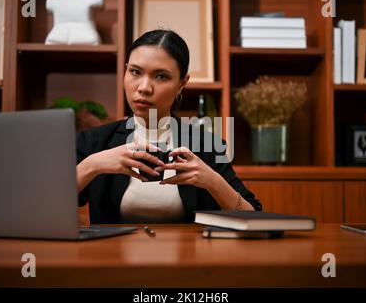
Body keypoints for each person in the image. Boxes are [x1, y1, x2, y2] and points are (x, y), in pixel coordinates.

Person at [76, 29, 262, 223]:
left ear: (182, 83)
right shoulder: (94, 142)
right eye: (135, 72)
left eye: (161, 76)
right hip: (109, 253)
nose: (144, 87)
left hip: (190, 253)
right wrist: (92, 165)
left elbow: (254, 218)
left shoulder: (206, 145)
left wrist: (213, 181)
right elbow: (45, 205)